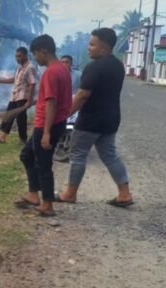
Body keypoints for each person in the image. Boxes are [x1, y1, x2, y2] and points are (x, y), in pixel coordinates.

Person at [55, 28, 134, 207]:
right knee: (110, 156)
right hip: (111, 119)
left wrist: (64, 115)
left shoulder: (94, 67)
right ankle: (124, 194)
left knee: (78, 155)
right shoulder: (118, 65)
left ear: (104, 47)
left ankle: (69, 194)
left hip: (90, 120)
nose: (88, 48)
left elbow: (82, 95)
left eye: (92, 44)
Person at [16, 34, 72, 217]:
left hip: (48, 125)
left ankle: (47, 204)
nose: (35, 58)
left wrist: (46, 132)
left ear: (44, 51)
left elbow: (51, 103)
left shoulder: (51, 72)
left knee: (43, 164)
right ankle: (33, 195)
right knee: (26, 155)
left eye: (35, 55)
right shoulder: (63, 69)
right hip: (55, 123)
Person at [0, 46, 36, 143]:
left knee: (21, 118)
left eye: (19, 56)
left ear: (25, 56)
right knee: (8, 116)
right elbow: (14, 79)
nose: (17, 58)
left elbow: (32, 84)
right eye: (16, 56)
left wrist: (29, 100)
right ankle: (3, 137)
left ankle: (23, 139)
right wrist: (0, 81)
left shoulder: (30, 67)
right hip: (15, 96)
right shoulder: (19, 67)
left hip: (23, 96)